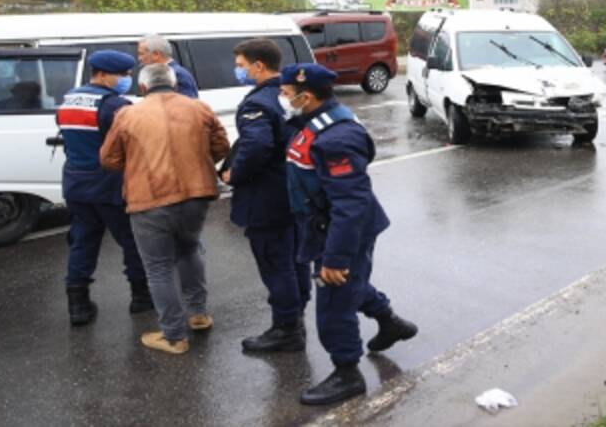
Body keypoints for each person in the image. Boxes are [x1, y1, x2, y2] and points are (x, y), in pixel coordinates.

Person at [281, 63, 418, 405]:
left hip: (341, 232)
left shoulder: (337, 138)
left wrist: (336, 257)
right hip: (324, 226)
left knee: (333, 303)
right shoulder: (316, 121)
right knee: (350, 284)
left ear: (306, 96)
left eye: (285, 94)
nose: (281, 99)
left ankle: (347, 374)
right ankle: (390, 321)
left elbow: (350, 203)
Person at [100, 63, 230, 354]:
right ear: (173, 84)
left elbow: (108, 158)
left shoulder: (128, 114)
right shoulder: (199, 108)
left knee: (158, 267)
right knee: (189, 249)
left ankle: (173, 335)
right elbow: (221, 147)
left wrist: (136, 168)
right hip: (197, 195)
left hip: (150, 197)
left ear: (143, 88)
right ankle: (198, 314)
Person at [222, 39, 311, 353]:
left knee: (275, 262)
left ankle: (286, 328)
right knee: (295, 257)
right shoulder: (291, 95)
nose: (239, 70)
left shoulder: (259, 102)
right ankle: (295, 316)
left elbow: (257, 146)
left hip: (266, 194)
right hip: (295, 190)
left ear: (259, 65)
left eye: (241, 65)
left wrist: (235, 174)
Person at [56, 50, 152, 326]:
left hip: (76, 184)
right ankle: (141, 297)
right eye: (122, 75)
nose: (126, 80)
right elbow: (134, 143)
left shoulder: (68, 99)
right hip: (110, 185)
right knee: (132, 241)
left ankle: (78, 304)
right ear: (102, 74)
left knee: (82, 242)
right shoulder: (115, 106)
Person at [138, 34, 199, 100]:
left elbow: (186, 105)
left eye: (141, 54)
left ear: (156, 54)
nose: (139, 58)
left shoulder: (177, 74)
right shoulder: (160, 73)